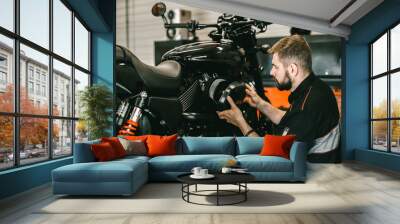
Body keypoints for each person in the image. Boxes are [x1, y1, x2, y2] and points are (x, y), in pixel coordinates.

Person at [217, 35, 340, 162]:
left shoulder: (308, 106)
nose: (271, 72)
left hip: (315, 174)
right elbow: (291, 118)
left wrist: (241, 123)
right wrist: (260, 104)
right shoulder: (316, 88)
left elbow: (275, 157)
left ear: (292, 69)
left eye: (276, 66)